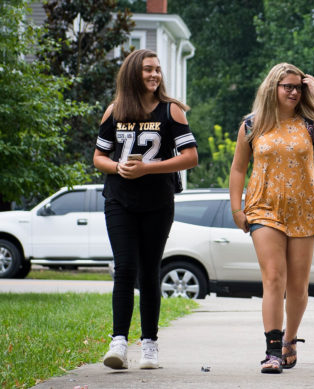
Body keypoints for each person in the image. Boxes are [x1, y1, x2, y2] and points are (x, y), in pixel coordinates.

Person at [229, 63, 314, 374]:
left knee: (298, 286)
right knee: (274, 277)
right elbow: (238, 169)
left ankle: (290, 338)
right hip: (263, 208)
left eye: (299, 87)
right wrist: (236, 208)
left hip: (303, 209)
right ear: (273, 88)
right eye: (288, 86)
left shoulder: (310, 123)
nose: (294, 92)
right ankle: (272, 351)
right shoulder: (251, 125)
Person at [93, 49, 198, 370]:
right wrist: (118, 167)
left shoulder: (172, 111)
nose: (154, 75)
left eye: (157, 70)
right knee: (125, 268)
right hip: (119, 200)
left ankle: (150, 344)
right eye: (147, 70)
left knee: (149, 271)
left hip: (157, 202)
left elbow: (191, 157)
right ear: (132, 73)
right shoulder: (115, 111)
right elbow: (98, 158)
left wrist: (148, 169)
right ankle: (119, 342)